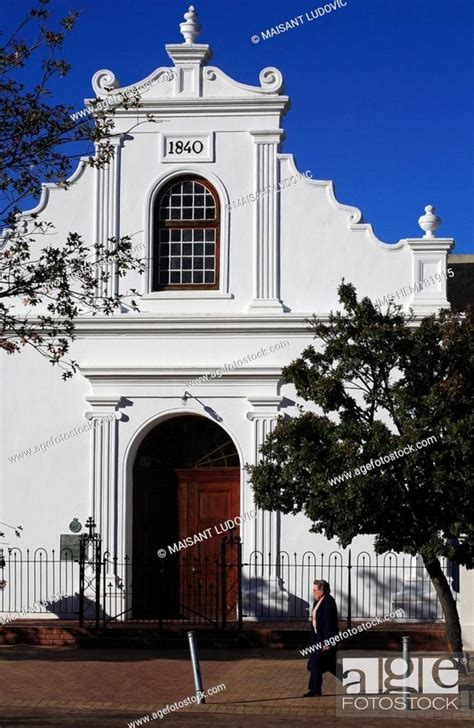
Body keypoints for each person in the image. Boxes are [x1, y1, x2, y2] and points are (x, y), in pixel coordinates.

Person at [303, 579, 339, 697]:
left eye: (315, 590)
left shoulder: (329, 601)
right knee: (320, 664)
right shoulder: (318, 601)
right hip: (317, 639)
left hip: (325, 639)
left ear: (322, 590)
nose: (313, 592)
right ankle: (315, 690)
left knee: (315, 664)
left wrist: (328, 642)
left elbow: (330, 624)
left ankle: (315, 690)